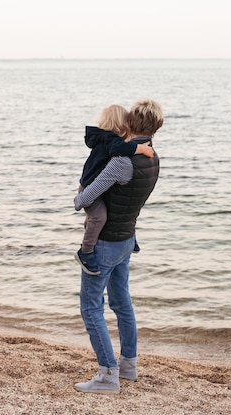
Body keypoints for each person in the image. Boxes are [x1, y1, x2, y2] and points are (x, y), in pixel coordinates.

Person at [73, 99, 163, 395]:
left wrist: (80, 194)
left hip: (106, 244)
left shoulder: (121, 162)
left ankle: (107, 375)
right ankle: (128, 366)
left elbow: (86, 200)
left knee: (90, 307)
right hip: (127, 239)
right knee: (122, 303)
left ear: (130, 123)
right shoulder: (153, 158)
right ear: (157, 126)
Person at [75, 104, 154, 275]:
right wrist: (140, 148)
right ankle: (85, 251)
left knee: (122, 203)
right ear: (121, 124)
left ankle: (129, 236)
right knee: (99, 216)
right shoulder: (111, 141)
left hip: (96, 186)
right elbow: (120, 149)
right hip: (89, 186)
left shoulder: (108, 139)